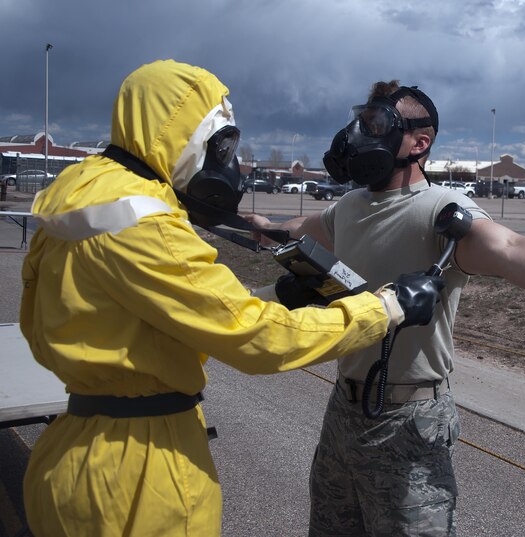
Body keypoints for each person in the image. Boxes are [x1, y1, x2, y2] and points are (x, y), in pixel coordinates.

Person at [19, 61, 444, 537]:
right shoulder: (144, 221)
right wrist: (386, 307)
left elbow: (172, 312)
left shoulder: (83, 194)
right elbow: (257, 340)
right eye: (219, 144)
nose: (225, 161)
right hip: (137, 474)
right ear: (173, 132)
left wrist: (277, 294)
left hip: (75, 448)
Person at [245, 80, 525, 536]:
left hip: (409, 421)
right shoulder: (350, 206)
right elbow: (305, 228)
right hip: (344, 410)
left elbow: (512, 251)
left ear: (420, 142)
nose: (360, 134)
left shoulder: (442, 209)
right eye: (361, 122)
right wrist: (267, 226)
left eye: (377, 123)